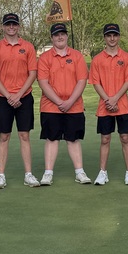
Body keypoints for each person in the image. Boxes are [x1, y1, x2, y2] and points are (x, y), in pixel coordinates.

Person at [0, 13, 40, 188]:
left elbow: (32, 73)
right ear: (3, 26)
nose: (11, 27)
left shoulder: (28, 47)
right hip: (4, 98)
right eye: (8, 24)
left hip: (24, 97)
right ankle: (1, 175)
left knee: (24, 135)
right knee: (4, 136)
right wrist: (9, 95)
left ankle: (28, 174)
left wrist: (18, 95)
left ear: (18, 26)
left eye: (14, 24)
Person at [37, 23, 91, 186]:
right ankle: (48, 173)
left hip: (74, 105)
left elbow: (82, 80)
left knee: (73, 139)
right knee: (52, 138)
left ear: (66, 36)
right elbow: (43, 82)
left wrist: (69, 102)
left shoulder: (77, 56)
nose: (60, 37)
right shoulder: (45, 58)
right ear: (51, 38)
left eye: (62, 34)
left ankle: (79, 172)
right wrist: (60, 102)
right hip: (51, 106)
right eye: (56, 34)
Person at [89, 23, 128, 185]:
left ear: (119, 37)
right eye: (109, 35)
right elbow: (95, 82)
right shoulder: (97, 59)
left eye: (115, 35)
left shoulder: (127, 58)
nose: (112, 38)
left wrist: (115, 98)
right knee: (105, 139)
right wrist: (108, 100)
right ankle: (102, 172)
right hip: (105, 105)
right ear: (104, 37)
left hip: (122, 104)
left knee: (125, 137)